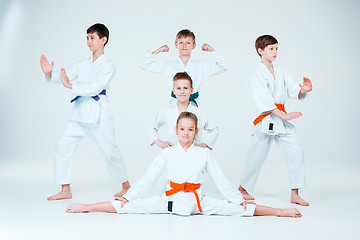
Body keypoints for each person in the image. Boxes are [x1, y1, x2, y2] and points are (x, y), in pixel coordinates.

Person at [66, 112, 301, 218]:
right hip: (170, 201)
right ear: (176, 131)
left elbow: (221, 180)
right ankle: (86, 207)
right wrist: (129, 196)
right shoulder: (168, 153)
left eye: (190, 129)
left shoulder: (204, 154)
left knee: (241, 210)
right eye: (181, 129)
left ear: (196, 132)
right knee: (127, 206)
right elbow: (149, 177)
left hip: (199, 202)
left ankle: (281, 212)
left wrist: (240, 199)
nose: (186, 133)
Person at [40, 23, 130, 200]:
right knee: (62, 146)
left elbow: (95, 87)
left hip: (98, 113)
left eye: (92, 37)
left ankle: (126, 185)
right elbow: (66, 74)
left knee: (110, 150)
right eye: (87, 37)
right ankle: (65, 189)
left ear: (103, 40)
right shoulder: (83, 63)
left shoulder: (108, 65)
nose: (89, 41)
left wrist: (70, 85)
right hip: (79, 112)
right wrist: (50, 73)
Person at [238, 35, 313, 206]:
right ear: (260, 51)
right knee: (256, 155)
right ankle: (242, 188)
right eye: (271, 48)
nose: (275, 52)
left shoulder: (281, 72)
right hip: (266, 120)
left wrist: (304, 90)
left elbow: (295, 90)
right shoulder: (257, 73)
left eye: (276, 48)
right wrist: (284, 115)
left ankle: (295, 192)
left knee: (296, 151)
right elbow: (264, 100)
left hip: (281, 120)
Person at [141, 29, 228, 106]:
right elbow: (145, 65)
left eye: (188, 43)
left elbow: (223, 66)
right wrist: (158, 51)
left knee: (192, 124)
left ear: (193, 46)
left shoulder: (201, 65)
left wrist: (212, 50)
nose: (184, 46)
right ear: (176, 45)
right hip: (175, 104)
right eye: (181, 42)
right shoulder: (168, 65)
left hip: (193, 105)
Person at [148, 72, 219, 150]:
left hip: (193, 154)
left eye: (185, 88)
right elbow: (151, 126)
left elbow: (214, 129)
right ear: (174, 91)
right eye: (178, 88)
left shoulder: (198, 113)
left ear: (191, 90)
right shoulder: (167, 112)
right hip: (172, 154)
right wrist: (158, 142)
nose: (182, 92)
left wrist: (204, 144)